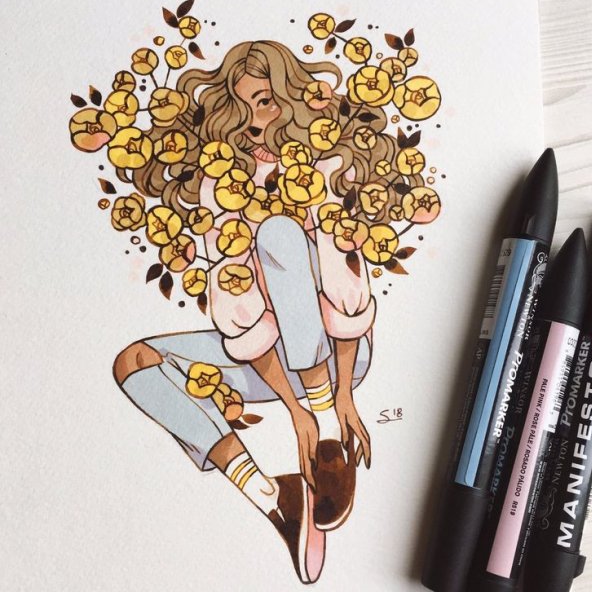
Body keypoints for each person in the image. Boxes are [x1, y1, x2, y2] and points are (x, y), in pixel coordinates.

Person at [111, 40, 393, 583]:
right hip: (265, 360)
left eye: (264, 102)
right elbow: (236, 306)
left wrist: (339, 399)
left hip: (337, 356)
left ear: (290, 97)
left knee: (279, 233)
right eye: (240, 109)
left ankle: (327, 435)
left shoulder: (325, 165)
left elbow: (347, 290)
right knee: (134, 363)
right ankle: (271, 494)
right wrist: (292, 409)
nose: (254, 122)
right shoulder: (221, 185)